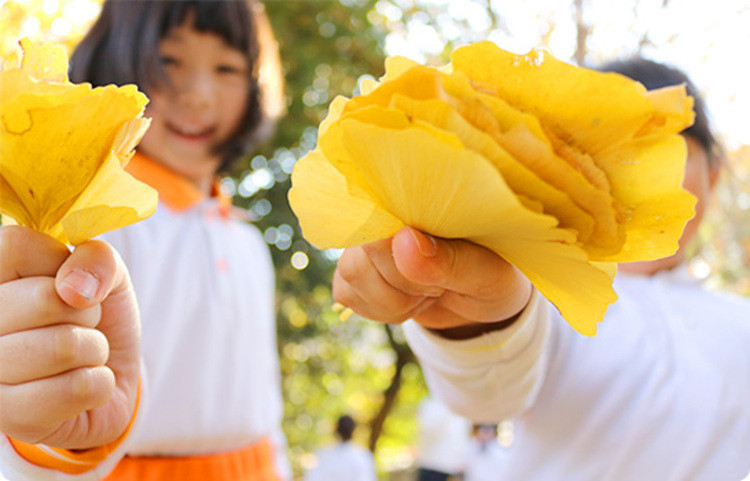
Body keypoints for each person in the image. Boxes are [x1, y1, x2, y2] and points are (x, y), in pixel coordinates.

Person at [331, 58, 750, 480]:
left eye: (667, 150)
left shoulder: (741, 323)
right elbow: (493, 384)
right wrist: (469, 315)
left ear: (713, 177)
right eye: (614, 151)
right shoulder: (548, 297)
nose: (638, 175)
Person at [0, 1, 290, 480]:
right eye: (170, 61)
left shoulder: (245, 240)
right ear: (115, 57)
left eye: (226, 68)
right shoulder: (92, 222)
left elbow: (263, 408)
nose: (197, 95)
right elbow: (40, 407)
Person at [414, 395, 471, 481]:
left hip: (456, 468)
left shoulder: (462, 404)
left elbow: (464, 437)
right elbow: (428, 432)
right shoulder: (430, 403)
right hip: (433, 466)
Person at [304, 415, 376, 481]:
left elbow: (313, 478)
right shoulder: (363, 456)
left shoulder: (323, 455)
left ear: (336, 430)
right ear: (353, 431)